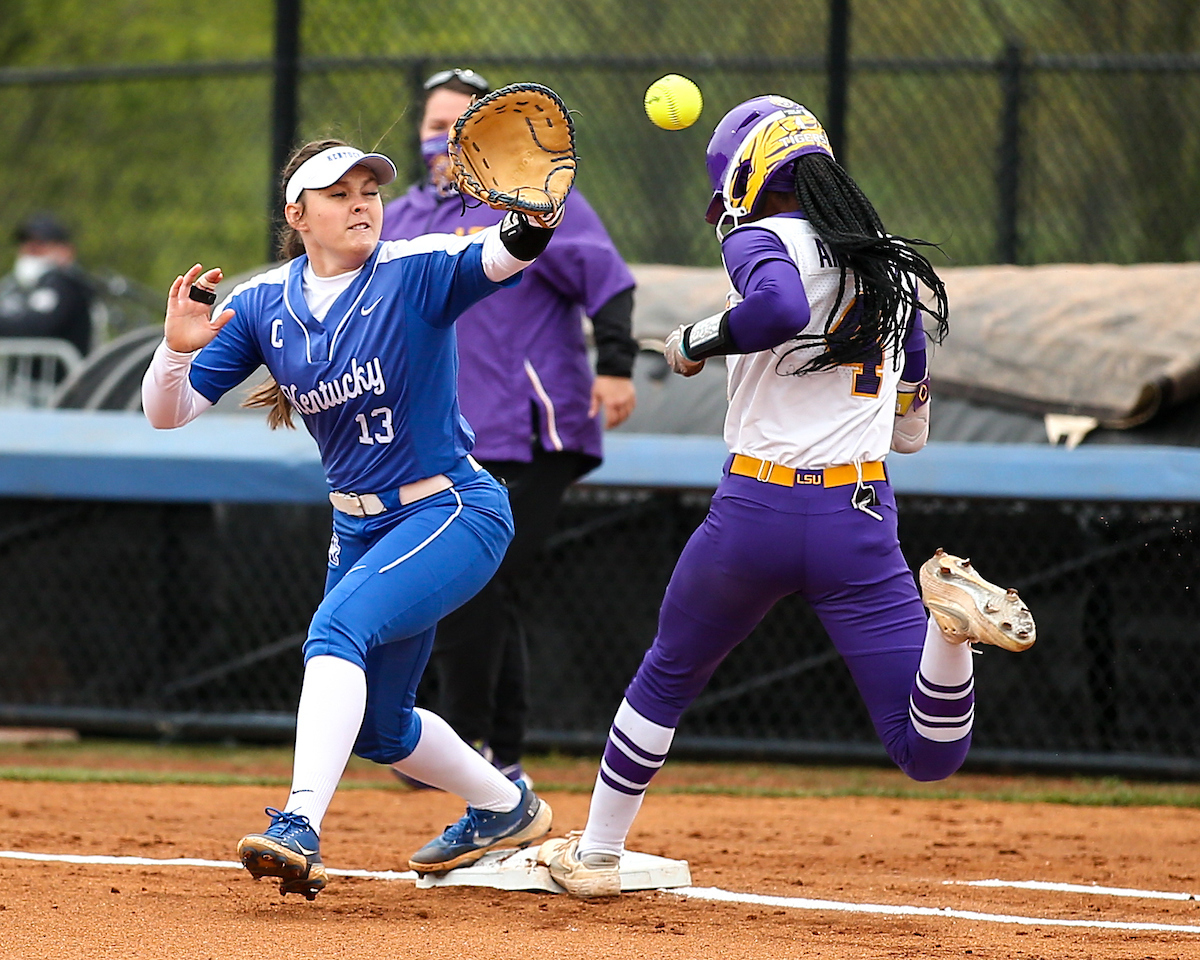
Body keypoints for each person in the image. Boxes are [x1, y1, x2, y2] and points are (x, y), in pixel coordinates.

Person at [538, 96, 1036, 897]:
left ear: (748, 173)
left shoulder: (761, 237)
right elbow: (910, 435)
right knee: (927, 753)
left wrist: (695, 338)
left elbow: (777, 308)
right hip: (859, 518)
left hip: (757, 513)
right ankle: (952, 631)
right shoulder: (890, 268)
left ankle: (596, 855)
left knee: (667, 676)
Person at [141, 138, 566, 900]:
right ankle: (507, 807)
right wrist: (173, 352)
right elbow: (166, 414)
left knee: (335, 632)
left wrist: (536, 211)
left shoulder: (413, 271)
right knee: (380, 729)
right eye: (339, 193)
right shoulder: (264, 304)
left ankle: (298, 823)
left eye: (369, 188)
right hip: (359, 527)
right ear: (297, 215)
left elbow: (506, 253)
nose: (362, 200)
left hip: (452, 509)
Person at [380, 67, 638, 786]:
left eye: (460, 122)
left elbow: (608, 280)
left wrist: (615, 364)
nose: (443, 136)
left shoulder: (534, 201)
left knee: (472, 582)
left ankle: (462, 748)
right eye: (434, 123)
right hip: (436, 441)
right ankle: (501, 758)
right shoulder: (399, 217)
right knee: (482, 589)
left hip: (531, 432)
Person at [0, 213, 94, 357]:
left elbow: (38, 327)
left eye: (39, 245)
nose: (30, 250)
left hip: (62, 378)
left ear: (65, 250)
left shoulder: (65, 285)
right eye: (26, 244)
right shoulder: (15, 286)